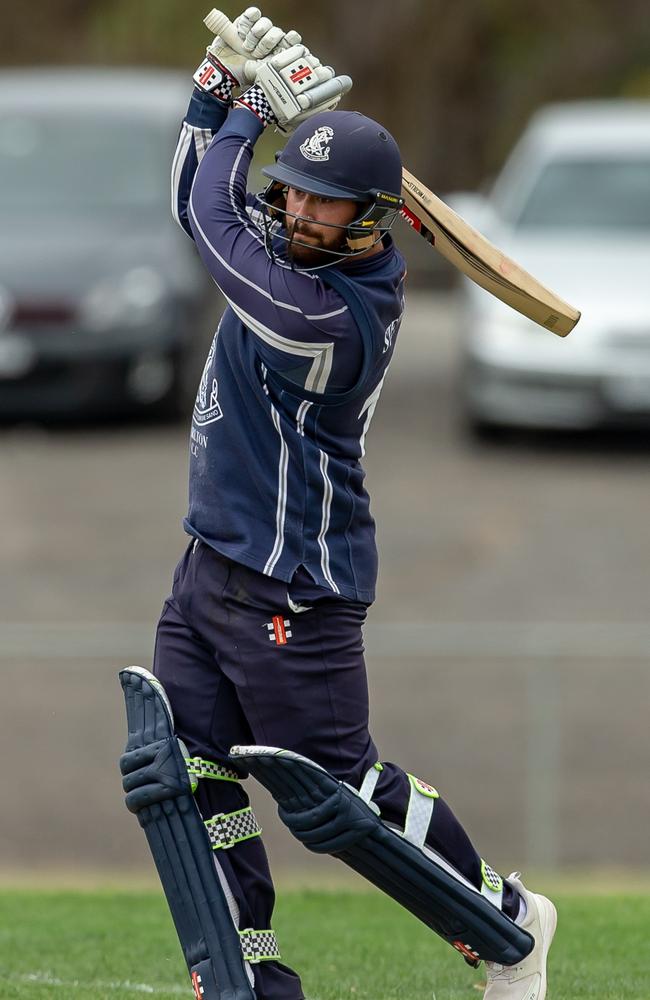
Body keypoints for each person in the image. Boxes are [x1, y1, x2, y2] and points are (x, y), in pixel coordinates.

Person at [149, 8, 556, 999]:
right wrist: (216, 86)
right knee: (180, 768)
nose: (296, 212)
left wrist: (249, 115)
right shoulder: (289, 256)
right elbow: (188, 196)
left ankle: (505, 924)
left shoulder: (333, 317)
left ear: (370, 217)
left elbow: (212, 218)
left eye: (325, 204)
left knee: (338, 800)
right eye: (295, 193)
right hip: (211, 566)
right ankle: (245, 978)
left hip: (297, 589)